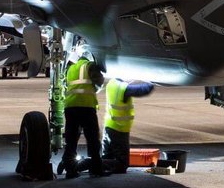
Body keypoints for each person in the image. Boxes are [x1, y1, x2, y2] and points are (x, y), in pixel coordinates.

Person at [60, 48, 105, 178]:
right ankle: (96, 168)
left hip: (70, 107)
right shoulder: (90, 66)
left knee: (71, 140)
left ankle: (70, 170)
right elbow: (99, 82)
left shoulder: (71, 68)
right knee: (92, 139)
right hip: (86, 107)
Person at [101, 77, 155, 173]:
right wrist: (151, 81)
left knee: (107, 157)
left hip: (109, 126)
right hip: (119, 128)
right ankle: (89, 162)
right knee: (122, 164)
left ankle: (94, 165)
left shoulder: (111, 84)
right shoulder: (121, 88)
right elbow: (144, 90)